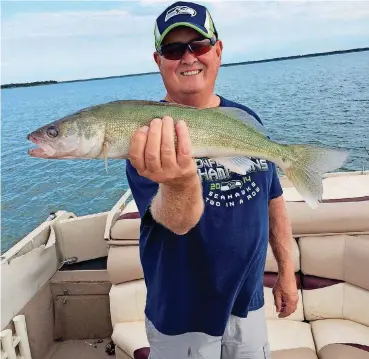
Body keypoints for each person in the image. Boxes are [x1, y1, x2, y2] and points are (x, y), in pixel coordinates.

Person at [125, 1, 299, 358]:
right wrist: (180, 180)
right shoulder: (146, 138)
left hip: (248, 305)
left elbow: (273, 200)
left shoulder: (243, 119)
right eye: (173, 49)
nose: (188, 57)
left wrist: (287, 272)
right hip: (181, 319)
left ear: (217, 51)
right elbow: (178, 221)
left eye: (199, 45)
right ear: (159, 61)